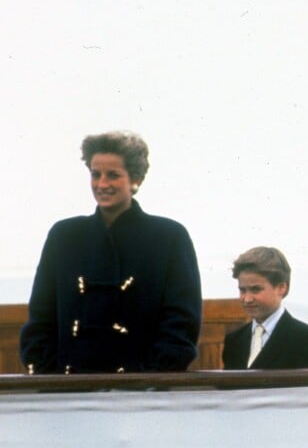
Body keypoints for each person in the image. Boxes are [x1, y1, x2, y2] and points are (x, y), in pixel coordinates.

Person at [20, 131, 202, 373]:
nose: (102, 184)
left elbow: (182, 324)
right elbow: (40, 319)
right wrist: (51, 376)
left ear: (135, 179)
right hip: (68, 392)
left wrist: (149, 378)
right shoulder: (64, 236)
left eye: (113, 175)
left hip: (142, 394)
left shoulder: (169, 237)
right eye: (96, 174)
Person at [222, 246, 308, 369]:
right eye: (242, 290)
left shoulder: (306, 339)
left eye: (256, 289)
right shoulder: (234, 340)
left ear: (281, 288)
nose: (247, 299)